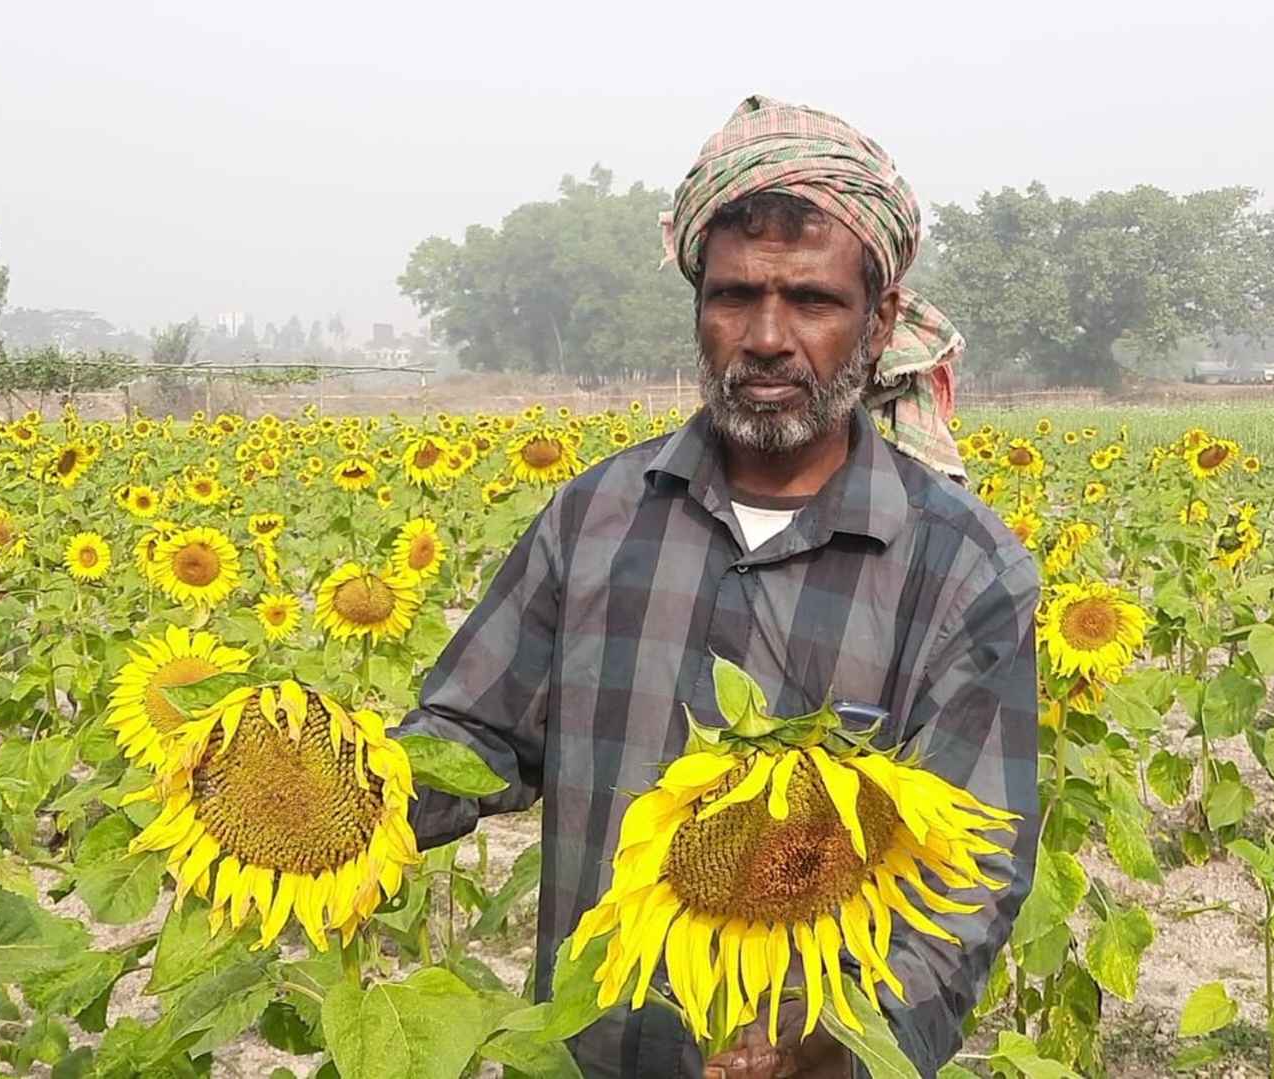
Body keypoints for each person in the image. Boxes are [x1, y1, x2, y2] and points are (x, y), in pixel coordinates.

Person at [399, 95, 1040, 1079]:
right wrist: (339, 789)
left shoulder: (960, 569)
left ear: (880, 324)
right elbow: (472, 733)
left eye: (814, 302)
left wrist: (845, 1039)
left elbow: (973, 872)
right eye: (735, 295)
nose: (768, 336)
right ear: (699, 312)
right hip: (589, 1048)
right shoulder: (595, 517)